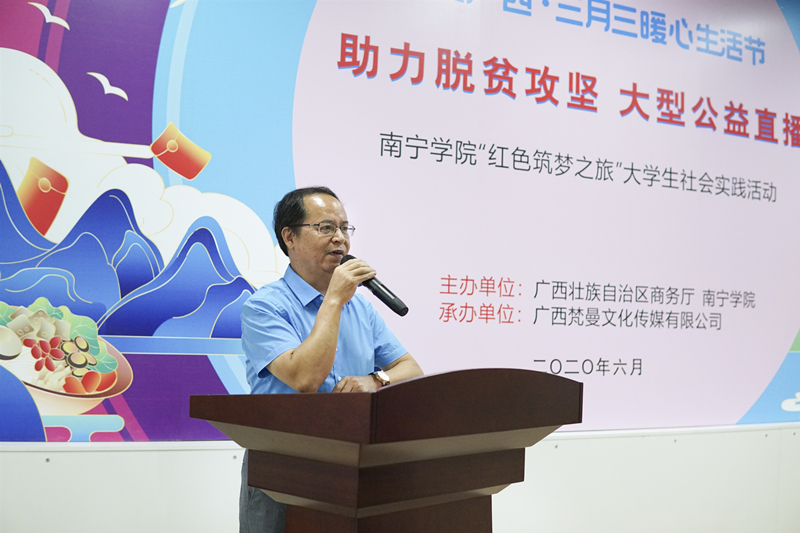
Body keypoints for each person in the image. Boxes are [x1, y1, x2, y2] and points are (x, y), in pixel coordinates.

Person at [238, 186, 423, 533]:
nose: (340, 238)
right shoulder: (264, 307)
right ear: (289, 237)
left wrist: (375, 380)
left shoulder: (361, 307)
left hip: (352, 462)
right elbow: (305, 378)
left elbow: (411, 369)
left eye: (344, 228)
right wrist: (334, 299)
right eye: (325, 227)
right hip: (283, 466)